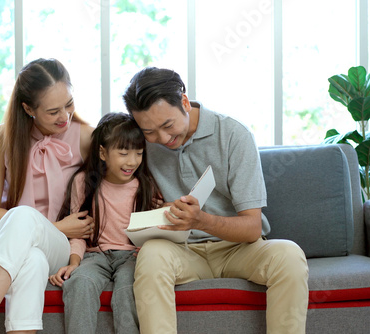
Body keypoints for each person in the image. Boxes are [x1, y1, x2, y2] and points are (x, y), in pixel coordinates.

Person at [122, 67, 309, 334]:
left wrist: (200, 220)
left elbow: (252, 228)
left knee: (289, 255)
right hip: (182, 250)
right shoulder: (142, 143)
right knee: (151, 255)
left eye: (167, 125)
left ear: (185, 102)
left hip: (238, 249)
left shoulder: (233, 135)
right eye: (149, 131)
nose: (162, 139)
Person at [0, 58, 95, 334]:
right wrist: (55, 225)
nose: (64, 117)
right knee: (31, 260)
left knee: (28, 232)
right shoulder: (0, 138)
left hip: (57, 244)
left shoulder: (86, 138)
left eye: (68, 104)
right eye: (53, 111)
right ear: (28, 108)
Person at [48, 112, 163, 334]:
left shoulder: (146, 185)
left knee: (128, 289)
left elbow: (155, 229)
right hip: (95, 255)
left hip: (132, 257)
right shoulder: (84, 183)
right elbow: (78, 233)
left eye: (138, 153)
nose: (132, 161)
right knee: (79, 282)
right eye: (123, 153)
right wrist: (73, 263)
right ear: (103, 152)